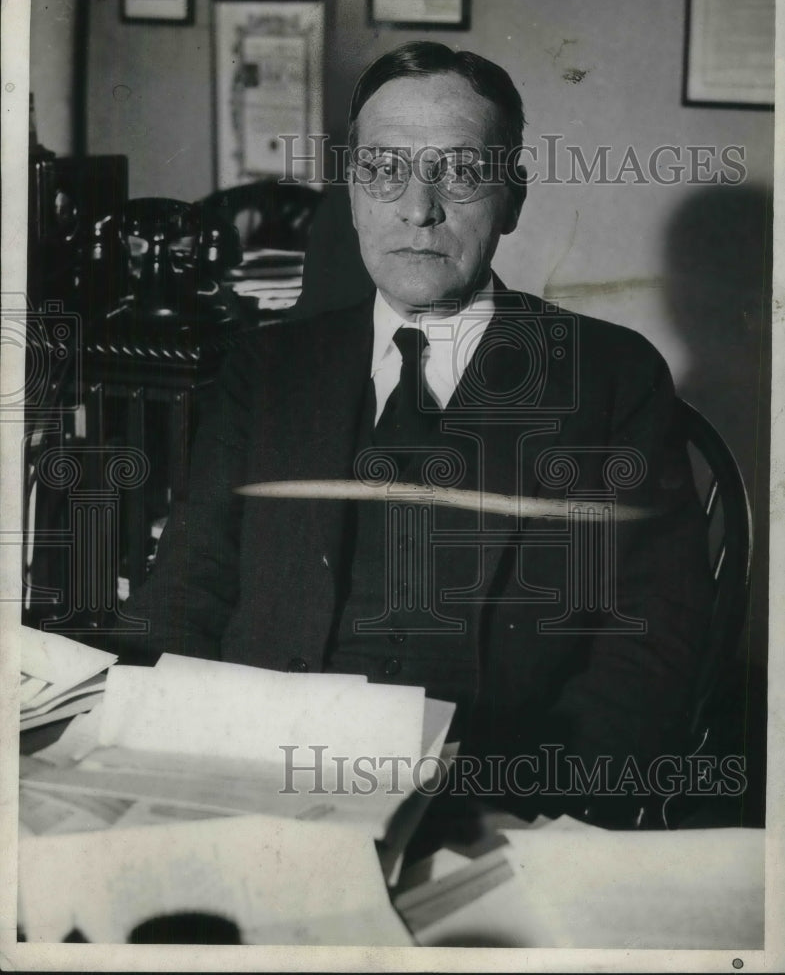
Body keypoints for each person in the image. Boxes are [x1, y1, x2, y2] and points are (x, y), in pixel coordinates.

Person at [116, 42, 712, 824]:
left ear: (512, 198)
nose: (416, 207)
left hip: (491, 805)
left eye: (460, 173)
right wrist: (150, 767)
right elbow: (189, 590)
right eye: (384, 170)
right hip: (251, 784)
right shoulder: (267, 366)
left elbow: (647, 651)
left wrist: (539, 813)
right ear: (354, 192)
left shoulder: (607, 378)